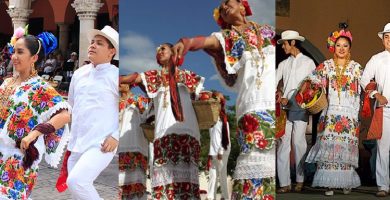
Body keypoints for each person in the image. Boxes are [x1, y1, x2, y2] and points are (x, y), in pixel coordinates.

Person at [172, 0, 276, 199]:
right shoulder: (228, 38)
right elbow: (205, 42)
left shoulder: (267, 32)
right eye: (222, 10)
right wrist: (188, 42)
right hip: (252, 106)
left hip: (275, 104)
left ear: (243, 7)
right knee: (255, 160)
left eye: (228, 3)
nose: (225, 8)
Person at [120, 43, 205, 199]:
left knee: (187, 183)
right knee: (163, 182)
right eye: (157, 50)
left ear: (173, 53)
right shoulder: (153, 76)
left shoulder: (187, 75)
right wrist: (116, 78)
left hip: (187, 132)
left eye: (163, 49)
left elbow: (202, 96)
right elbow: (135, 77)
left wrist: (216, 96)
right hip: (162, 134)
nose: (159, 51)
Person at [0, 26, 71, 199]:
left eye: (20, 52)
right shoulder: (7, 83)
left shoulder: (39, 88)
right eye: (14, 51)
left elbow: (64, 115)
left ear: (34, 58)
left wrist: (34, 134)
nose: (14, 57)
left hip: (18, 159)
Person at [305, 23, 362, 196]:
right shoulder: (326, 66)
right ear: (333, 47)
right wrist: (312, 89)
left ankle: (346, 182)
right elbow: (311, 80)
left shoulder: (356, 67)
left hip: (349, 113)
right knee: (329, 147)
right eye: (338, 45)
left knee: (346, 146)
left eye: (345, 45)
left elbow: (367, 84)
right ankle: (329, 183)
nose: (342, 48)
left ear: (350, 47)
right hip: (330, 112)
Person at [65, 25, 119, 199]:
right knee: (76, 190)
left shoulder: (116, 76)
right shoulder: (79, 74)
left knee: (77, 182)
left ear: (111, 52)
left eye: (99, 43)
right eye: (92, 42)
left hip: (102, 143)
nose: (92, 45)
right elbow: (71, 105)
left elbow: (128, 109)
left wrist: (116, 136)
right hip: (77, 142)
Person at [275, 30, 316, 193]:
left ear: (293, 43)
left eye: (284, 43)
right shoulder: (283, 64)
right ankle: (284, 183)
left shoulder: (308, 62)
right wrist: (278, 93)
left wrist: (301, 97)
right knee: (283, 145)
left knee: (298, 143)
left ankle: (300, 180)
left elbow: (314, 84)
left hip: (300, 109)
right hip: (285, 110)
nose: (283, 46)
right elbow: (274, 82)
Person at [360, 22, 390, 197]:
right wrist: (376, 94)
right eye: (386, 37)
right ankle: (383, 185)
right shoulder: (377, 58)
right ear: (383, 40)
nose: (389, 40)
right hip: (384, 109)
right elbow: (364, 80)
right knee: (383, 147)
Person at [118, 84, 149, 200]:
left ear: (128, 86)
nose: (119, 85)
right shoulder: (116, 102)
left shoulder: (138, 99)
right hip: (120, 144)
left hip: (136, 143)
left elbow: (147, 115)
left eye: (122, 83)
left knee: (136, 181)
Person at [207, 92, 231, 200]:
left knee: (221, 174)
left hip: (222, 151)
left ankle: (225, 197)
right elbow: (212, 138)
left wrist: (220, 151)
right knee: (213, 174)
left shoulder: (223, 120)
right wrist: (211, 152)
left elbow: (225, 137)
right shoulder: (211, 120)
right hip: (213, 151)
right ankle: (210, 196)